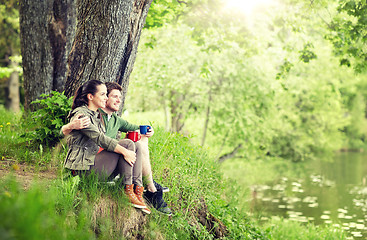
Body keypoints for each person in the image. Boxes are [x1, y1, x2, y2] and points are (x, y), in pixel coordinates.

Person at [62, 81, 172, 215]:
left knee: (134, 144)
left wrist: (147, 132)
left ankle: (136, 190)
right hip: (82, 170)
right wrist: (125, 152)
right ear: (90, 97)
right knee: (127, 144)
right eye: (103, 94)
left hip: (94, 164)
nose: (106, 97)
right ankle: (128, 189)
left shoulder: (96, 115)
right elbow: (100, 139)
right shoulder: (82, 115)